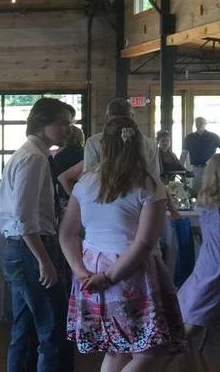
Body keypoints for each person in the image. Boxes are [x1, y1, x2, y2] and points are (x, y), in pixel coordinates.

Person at [61, 116, 185, 367]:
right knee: (150, 351)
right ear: (139, 144)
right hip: (130, 270)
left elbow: (67, 233)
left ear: (103, 145)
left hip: (90, 269)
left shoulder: (85, 181)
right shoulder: (148, 184)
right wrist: (108, 277)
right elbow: (144, 243)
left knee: (116, 349)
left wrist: (81, 272)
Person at [0, 97, 76, 372]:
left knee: (26, 330)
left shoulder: (29, 154)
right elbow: (24, 217)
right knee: (53, 330)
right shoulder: (34, 158)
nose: (68, 129)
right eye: (63, 123)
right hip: (32, 248)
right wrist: (44, 260)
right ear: (43, 124)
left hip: (21, 248)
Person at [178, 155, 220, 370]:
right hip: (214, 270)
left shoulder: (206, 204)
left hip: (207, 266)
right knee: (187, 328)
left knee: (189, 325)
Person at [53, 125, 85, 216]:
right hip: (82, 195)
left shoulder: (59, 156)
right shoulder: (85, 154)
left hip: (64, 198)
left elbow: (55, 179)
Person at [182, 117, 220, 194]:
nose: (198, 124)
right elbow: (183, 154)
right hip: (196, 169)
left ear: (206, 123)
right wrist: (181, 170)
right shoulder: (189, 138)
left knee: (211, 192)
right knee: (196, 192)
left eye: (201, 122)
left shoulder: (214, 137)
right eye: (197, 122)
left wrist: (214, 161)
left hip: (211, 168)